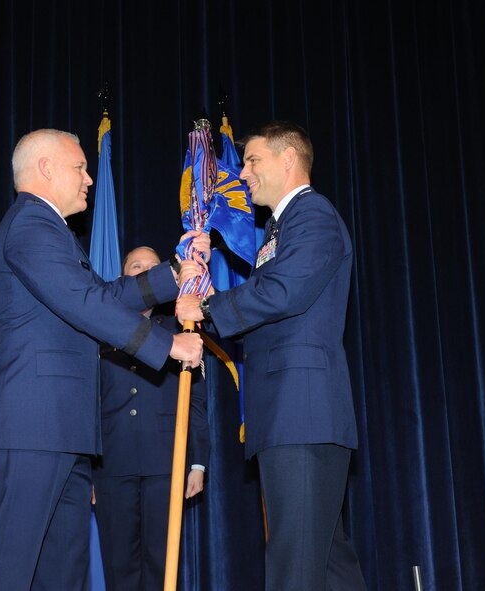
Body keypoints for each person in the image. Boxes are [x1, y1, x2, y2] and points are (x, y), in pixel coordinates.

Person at [0, 129, 206, 590]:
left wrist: (174, 275)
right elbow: (83, 303)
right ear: (46, 168)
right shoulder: (31, 225)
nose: (89, 179)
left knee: (62, 575)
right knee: (6, 571)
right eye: (79, 167)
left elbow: (103, 294)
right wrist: (167, 345)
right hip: (31, 429)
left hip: (64, 432)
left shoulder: (51, 232)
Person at [177, 121, 366, 590]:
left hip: (301, 410)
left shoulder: (313, 215)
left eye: (253, 160)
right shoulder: (282, 228)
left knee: (294, 566)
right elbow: (268, 306)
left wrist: (204, 307)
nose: (242, 173)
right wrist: (207, 287)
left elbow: (283, 292)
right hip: (290, 412)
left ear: (288, 160)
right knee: (325, 563)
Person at [92, 246, 210, 591]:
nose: (144, 272)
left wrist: (198, 464)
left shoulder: (180, 326)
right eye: (136, 266)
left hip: (166, 463)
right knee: (119, 567)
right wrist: (86, 470)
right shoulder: (99, 329)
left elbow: (197, 401)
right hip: (111, 465)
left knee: (163, 565)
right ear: (122, 278)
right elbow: (87, 403)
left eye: (152, 267)